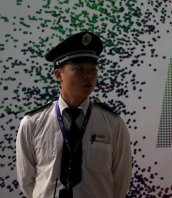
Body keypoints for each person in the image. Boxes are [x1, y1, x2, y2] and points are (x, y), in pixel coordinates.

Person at [16, 31, 132, 198]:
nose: (88, 76)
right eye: (79, 69)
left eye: (93, 69)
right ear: (58, 75)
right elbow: (27, 180)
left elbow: (121, 179)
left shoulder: (113, 123)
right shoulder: (33, 123)